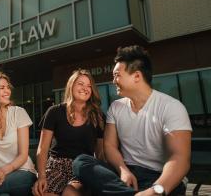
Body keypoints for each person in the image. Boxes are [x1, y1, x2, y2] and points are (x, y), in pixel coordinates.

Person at [73, 45, 192, 196]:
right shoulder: (116, 107)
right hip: (126, 173)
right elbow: (109, 146)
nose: (113, 80)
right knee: (81, 162)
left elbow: (180, 158)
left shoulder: (171, 107)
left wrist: (155, 191)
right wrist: (123, 170)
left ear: (136, 76)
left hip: (160, 177)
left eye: (117, 75)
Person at [32, 69, 105, 196]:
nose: (85, 88)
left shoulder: (97, 116)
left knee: (70, 193)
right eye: (80, 84)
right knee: (43, 193)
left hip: (82, 167)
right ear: (71, 86)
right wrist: (41, 176)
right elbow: (42, 148)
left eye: (89, 86)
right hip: (56, 166)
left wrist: (100, 177)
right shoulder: (54, 111)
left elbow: (100, 153)